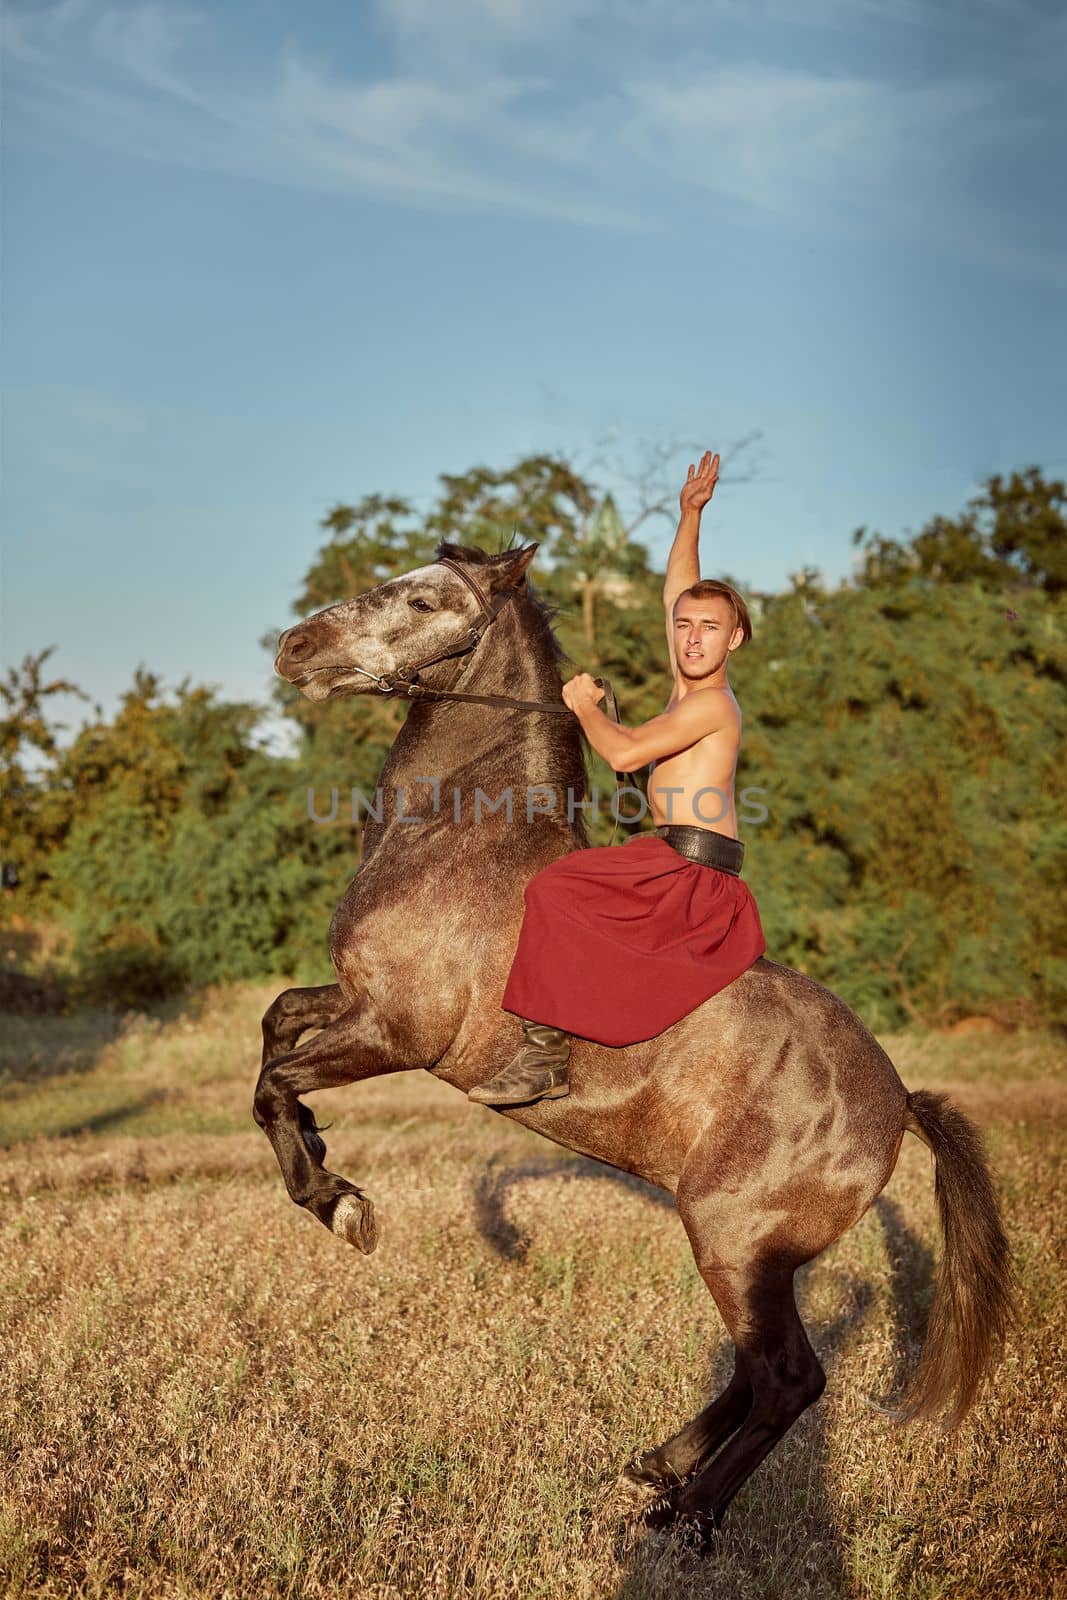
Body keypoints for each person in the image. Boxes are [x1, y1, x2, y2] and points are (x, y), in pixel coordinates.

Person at [468, 450, 766, 1107]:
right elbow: (676, 589)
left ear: (734, 640)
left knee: (554, 888)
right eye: (685, 628)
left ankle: (545, 1056)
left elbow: (626, 756)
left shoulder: (712, 705)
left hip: (695, 874)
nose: (691, 637)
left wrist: (583, 708)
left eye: (709, 629)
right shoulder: (685, 682)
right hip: (667, 854)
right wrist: (690, 513)